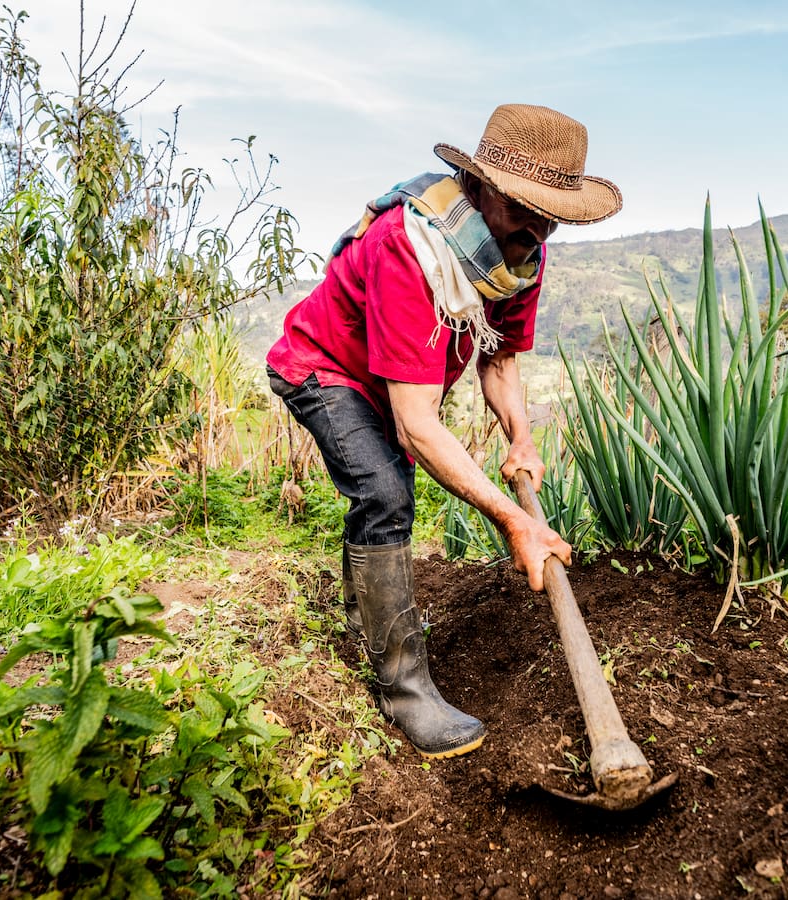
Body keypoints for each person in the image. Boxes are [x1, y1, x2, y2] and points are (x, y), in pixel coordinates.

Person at [266, 103, 622, 759]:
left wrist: (520, 436)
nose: (537, 227)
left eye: (550, 215)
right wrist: (513, 521)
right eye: (522, 207)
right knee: (384, 492)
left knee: (385, 489)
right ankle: (404, 692)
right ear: (480, 187)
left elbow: (500, 360)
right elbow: (417, 426)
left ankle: (366, 617)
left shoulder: (517, 260)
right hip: (322, 367)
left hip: (388, 382)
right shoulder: (409, 247)